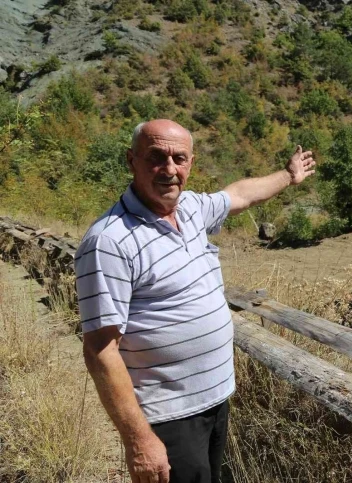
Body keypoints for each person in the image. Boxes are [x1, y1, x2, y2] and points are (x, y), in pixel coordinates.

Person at [75, 119, 315, 483]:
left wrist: (289, 174)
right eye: (156, 157)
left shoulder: (190, 208)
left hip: (215, 399)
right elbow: (99, 350)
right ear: (131, 160)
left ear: (190, 163)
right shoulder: (109, 241)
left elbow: (241, 194)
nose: (169, 169)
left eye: (179, 158)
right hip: (168, 415)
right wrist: (139, 440)